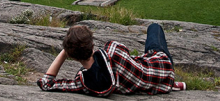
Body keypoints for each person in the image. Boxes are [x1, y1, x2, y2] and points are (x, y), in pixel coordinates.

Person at [38, 24, 186, 96]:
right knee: (154, 27)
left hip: (149, 86)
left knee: (132, 75)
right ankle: (170, 82)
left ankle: (168, 83)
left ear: (72, 56)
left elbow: (46, 83)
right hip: (162, 65)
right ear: (92, 45)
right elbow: (130, 61)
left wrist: (65, 51)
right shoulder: (113, 49)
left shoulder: (85, 82)